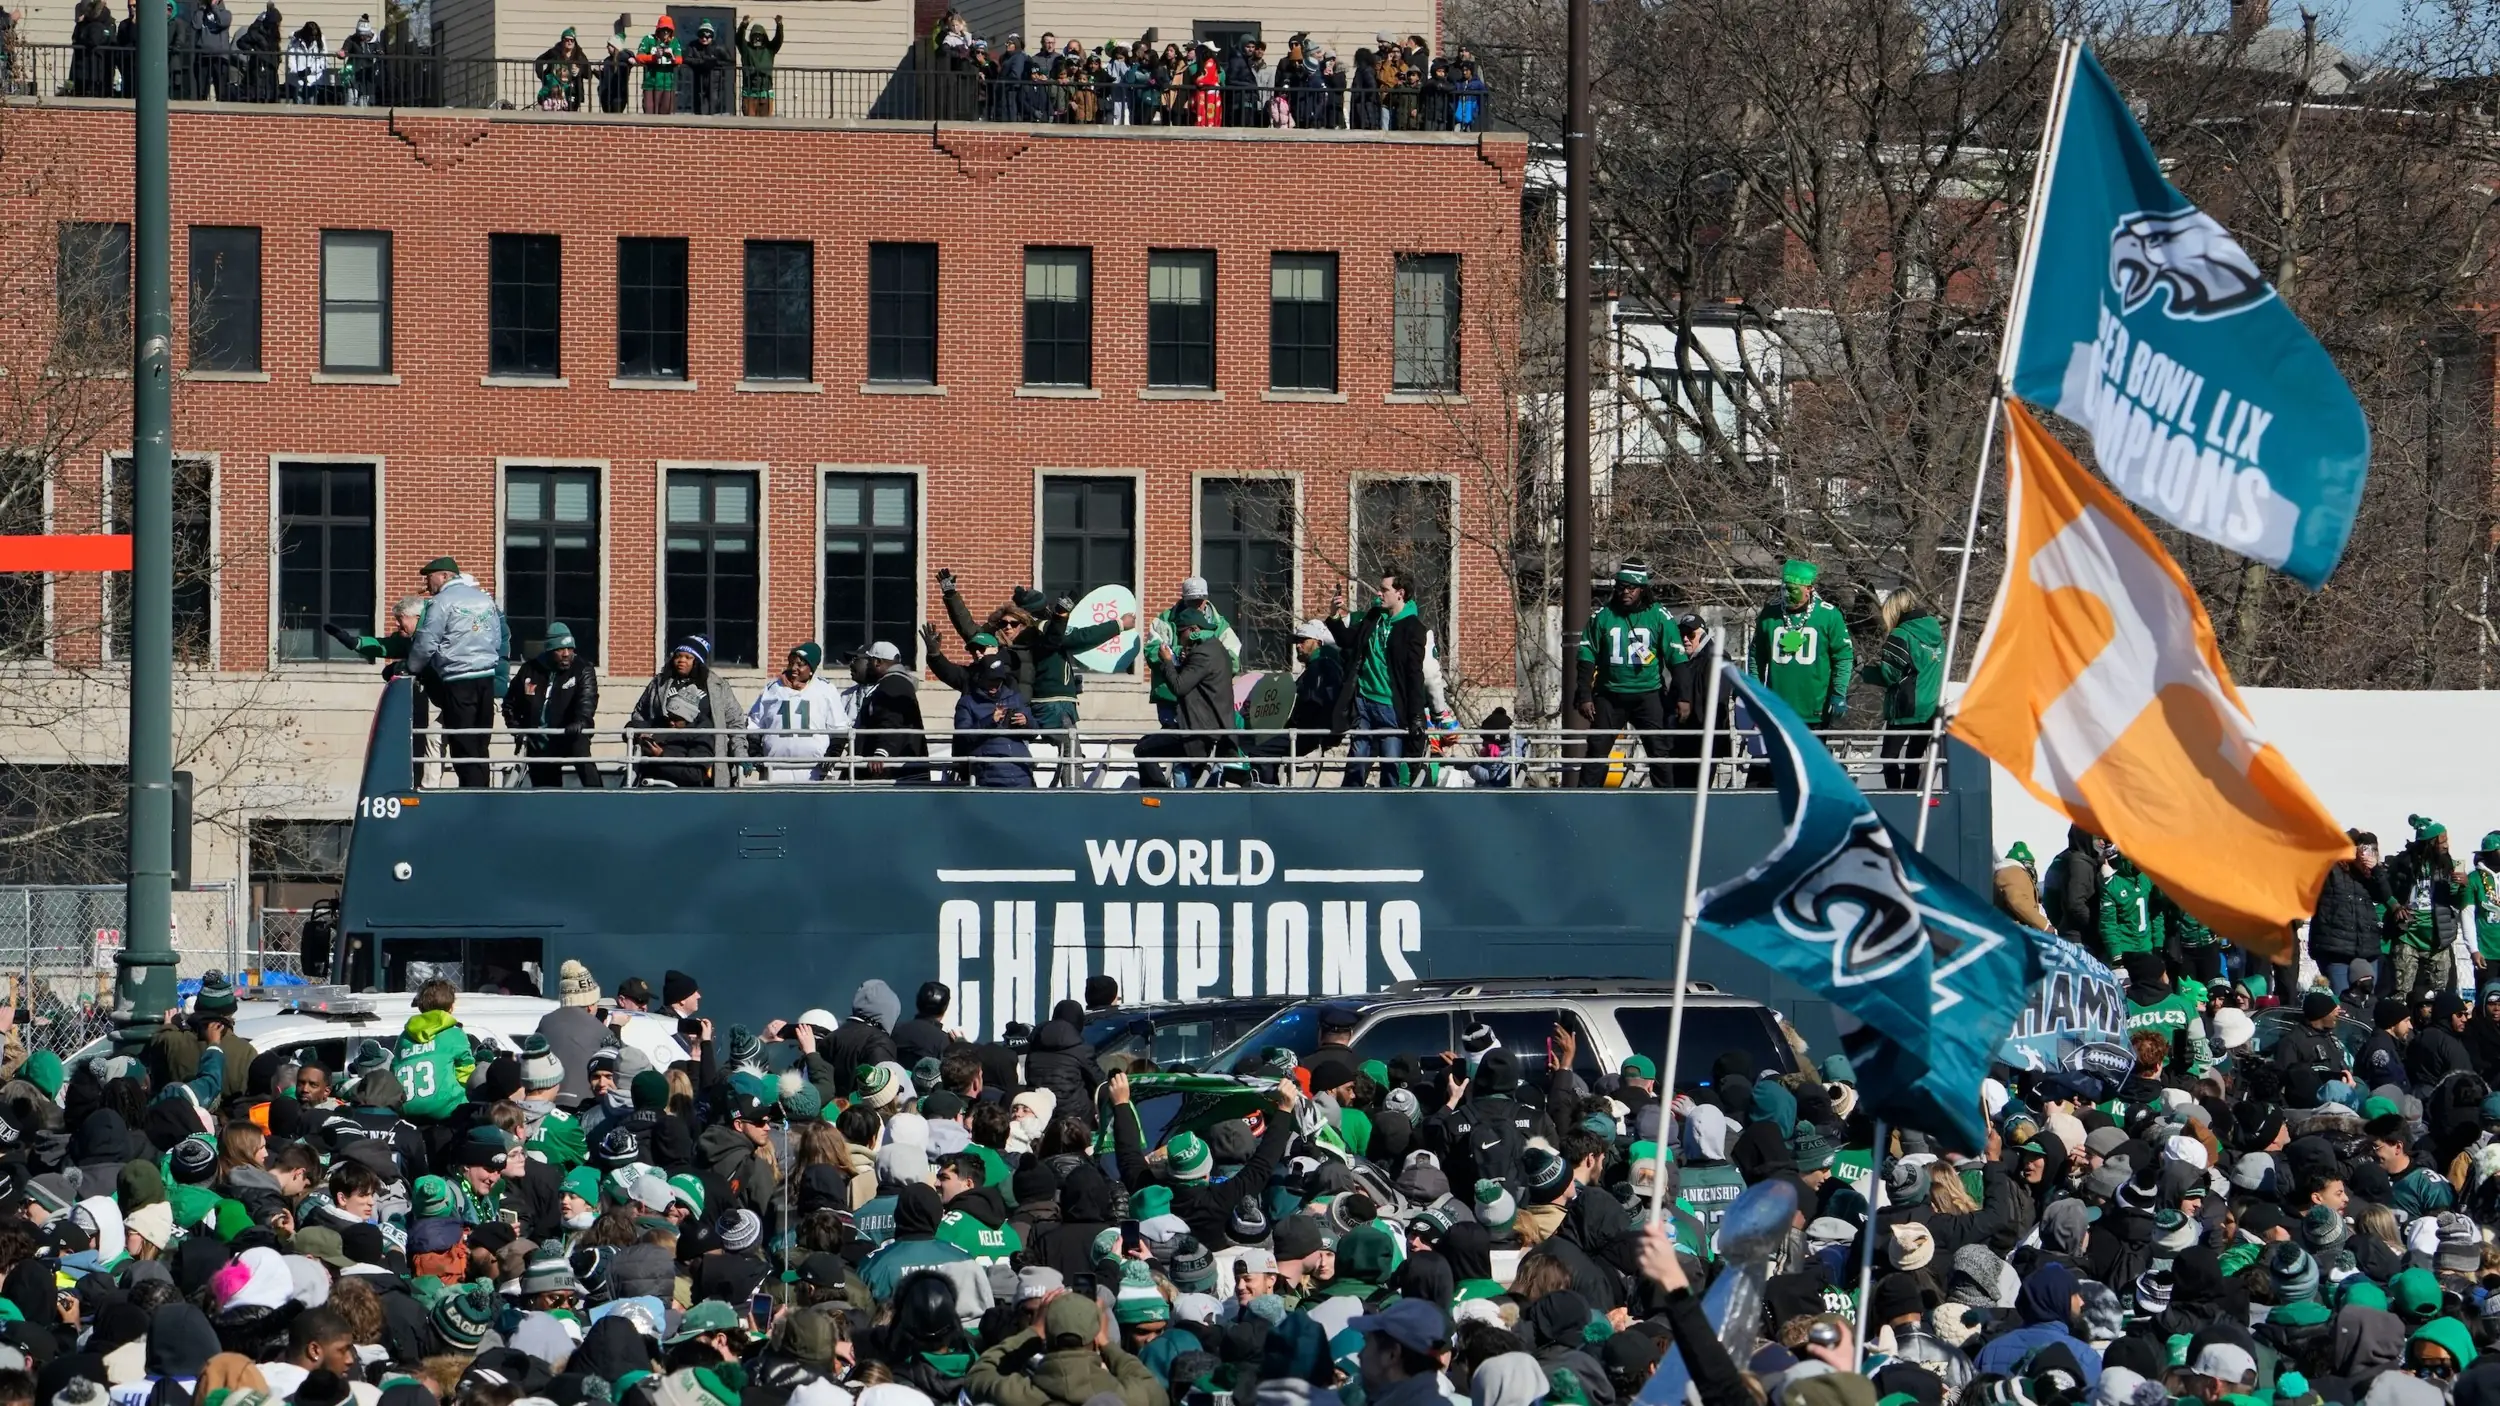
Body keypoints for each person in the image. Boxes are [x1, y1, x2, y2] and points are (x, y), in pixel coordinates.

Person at [404, 556, 508, 789]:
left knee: (462, 743)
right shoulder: (485, 600)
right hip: (486, 678)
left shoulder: (441, 602)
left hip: (458, 678)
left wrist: (412, 667)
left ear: (443, 576)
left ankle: (471, 795)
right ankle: (484, 792)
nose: (427, 584)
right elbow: (497, 638)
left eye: (429, 578)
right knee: (481, 743)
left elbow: (427, 641)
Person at [1573, 562, 1679, 789]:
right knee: (1597, 751)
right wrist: (1584, 695)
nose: (1625, 592)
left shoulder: (1659, 616)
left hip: (1648, 693)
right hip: (1610, 694)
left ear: (1643, 589)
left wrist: (1684, 697)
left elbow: (1677, 659)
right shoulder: (1602, 616)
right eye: (1621, 587)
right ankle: (1584, 801)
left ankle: (1671, 802)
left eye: (1632, 587)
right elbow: (1586, 657)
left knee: (1659, 751)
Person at [1330, 571, 1428, 788]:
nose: (1379, 593)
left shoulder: (1413, 628)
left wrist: (1417, 716)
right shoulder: (1374, 616)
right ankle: (1351, 803)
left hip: (1391, 707)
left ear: (1400, 593)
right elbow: (1348, 640)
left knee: (1390, 765)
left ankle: (1390, 810)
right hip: (1363, 699)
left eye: (1384, 590)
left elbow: (1414, 676)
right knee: (1357, 758)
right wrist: (1334, 616)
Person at [1750, 556, 1853, 730]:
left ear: (1809, 589)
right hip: (1777, 709)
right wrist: (1755, 691)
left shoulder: (1829, 615)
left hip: (1815, 709)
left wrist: (1839, 692)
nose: (1787, 595)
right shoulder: (1770, 614)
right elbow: (1756, 656)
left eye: (1792, 590)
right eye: (1783, 589)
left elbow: (1843, 657)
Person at [626, 637, 744, 787]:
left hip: (702, 752)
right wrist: (643, 734)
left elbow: (736, 722)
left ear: (698, 661)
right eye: (678, 656)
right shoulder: (659, 683)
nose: (681, 661)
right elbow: (640, 713)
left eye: (688, 657)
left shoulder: (717, 686)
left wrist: (740, 754)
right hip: (663, 751)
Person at [503, 621, 599, 789]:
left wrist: (580, 722)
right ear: (549, 650)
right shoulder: (529, 670)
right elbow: (509, 704)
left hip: (568, 735)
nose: (566, 654)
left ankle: (599, 797)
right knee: (546, 793)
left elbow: (587, 701)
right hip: (539, 742)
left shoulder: (582, 669)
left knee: (581, 750)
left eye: (570, 649)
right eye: (560, 649)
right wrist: (518, 731)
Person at [1865, 585, 1942, 790]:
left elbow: (1890, 675)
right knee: (1913, 759)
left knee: (1888, 757)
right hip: (1930, 707)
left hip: (1905, 707)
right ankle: (1909, 799)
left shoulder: (1900, 635)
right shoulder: (1934, 632)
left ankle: (1895, 797)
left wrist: (1864, 670)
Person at [2383, 816, 2463, 1004]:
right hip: (2408, 934)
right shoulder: (2403, 863)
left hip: (2438, 937)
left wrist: (2462, 886)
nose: (2446, 845)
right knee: (2400, 994)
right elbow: (2384, 889)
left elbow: (2456, 901)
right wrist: (2395, 906)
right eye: (2442, 840)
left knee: (2441, 996)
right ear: (2430, 842)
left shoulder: (2446, 862)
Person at [748, 642, 851, 780]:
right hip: (775, 768)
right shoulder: (772, 689)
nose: (793, 668)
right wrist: (755, 752)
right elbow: (754, 724)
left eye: (800, 664)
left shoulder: (825, 689)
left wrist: (833, 754)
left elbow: (839, 727)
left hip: (814, 769)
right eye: (791, 663)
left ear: (811, 669)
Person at [838, 641, 929, 781]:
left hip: (894, 772)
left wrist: (881, 752)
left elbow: (891, 720)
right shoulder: (896, 682)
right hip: (900, 769)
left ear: (877, 662)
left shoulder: (892, 683)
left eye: (869, 661)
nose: (867, 665)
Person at [953, 655, 1039, 788]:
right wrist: (990, 721)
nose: (994, 684)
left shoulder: (1015, 698)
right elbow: (963, 737)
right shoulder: (968, 703)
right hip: (989, 773)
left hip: (1021, 770)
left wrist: (1026, 722)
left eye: (998, 680)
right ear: (980, 677)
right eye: (990, 680)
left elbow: (1034, 732)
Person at [1994, 842, 2052, 931]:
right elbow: (2018, 901)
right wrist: (2044, 926)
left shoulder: (2009, 873)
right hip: (2013, 931)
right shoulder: (2013, 873)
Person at [681, 19, 730, 113]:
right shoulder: (693, 46)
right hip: (698, 79)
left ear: (712, 37)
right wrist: (700, 62)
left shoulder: (719, 47)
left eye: (707, 37)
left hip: (714, 81)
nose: (704, 39)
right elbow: (686, 58)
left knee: (713, 104)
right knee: (698, 106)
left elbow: (730, 62)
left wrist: (715, 63)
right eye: (701, 36)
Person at [534, 25, 589, 108]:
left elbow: (589, 74)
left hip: (572, 91)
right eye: (567, 40)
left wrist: (579, 71)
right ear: (562, 40)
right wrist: (543, 77)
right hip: (554, 90)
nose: (569, 42)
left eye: (572, 40)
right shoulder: (554, 52)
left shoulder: (579, 55)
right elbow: (539, 61)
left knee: (570, 114)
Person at [635, 14, 680, 112]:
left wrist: (672, 57)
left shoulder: (674, 41)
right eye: (663, 29)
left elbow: (679, 59)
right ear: (658, 29)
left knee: (665, 116)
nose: (666, 32)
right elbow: (639, 57)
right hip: (650, 83)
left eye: (668, 30)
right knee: (649, 113)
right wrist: (654, 57)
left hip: (668, 84)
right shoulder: (648, 39)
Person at [736, 14, 779, 114]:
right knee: (750, 125)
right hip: (749, 92)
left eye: (760, 36)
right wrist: (744, 24)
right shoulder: (746, 49)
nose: (757, 39)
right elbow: (738, 39)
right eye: (755, 36)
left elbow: (778, 40)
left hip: (766, 92)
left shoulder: (769, 49)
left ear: (764, 37)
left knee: (766, 125)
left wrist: (779, 25)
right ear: (751, 37)